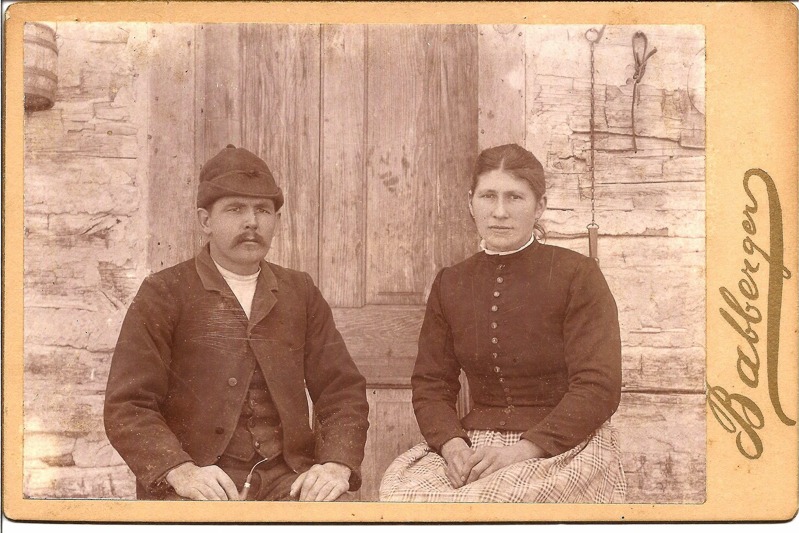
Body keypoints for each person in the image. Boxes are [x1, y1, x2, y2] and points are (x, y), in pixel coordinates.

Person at [104, 145, 369, 501]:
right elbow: (128, 406)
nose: (252, 222)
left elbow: (342, 390)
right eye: (235, 209)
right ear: (205, 220)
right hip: (200, 481)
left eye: (263, 210)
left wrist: (336, 464)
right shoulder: (163, 292)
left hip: (287, 478)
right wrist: (178, 471)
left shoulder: (299, 291)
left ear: (276, 220)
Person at [379, 143, 626, 503]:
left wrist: (525, 450)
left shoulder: (577, 276)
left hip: (562, 443)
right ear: (470, 202)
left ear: (539, 206)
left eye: (515, 198)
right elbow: (431, 382)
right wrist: (453, 446)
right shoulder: (452, 282)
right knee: (401, 495)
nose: (499, 212)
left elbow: (598, 386)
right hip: (476, 441)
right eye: (488, 196)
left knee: (495, 503)